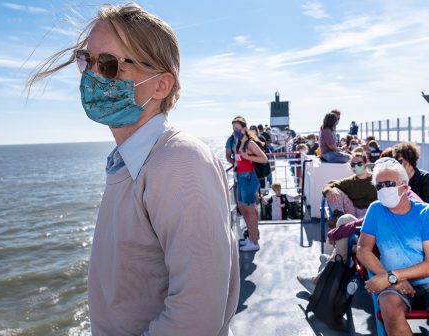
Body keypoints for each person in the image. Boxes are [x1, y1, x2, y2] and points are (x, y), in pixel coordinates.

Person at [26, 4, 239, 334]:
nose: (92, 75)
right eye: (86, 60)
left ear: (160, 86)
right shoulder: (128, 161)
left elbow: (196, 318)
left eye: (109, 65)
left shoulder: (180, 162)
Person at [357, 158, 429, 336]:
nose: (383, 189)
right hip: (394, 285)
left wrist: (391, 277)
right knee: (389, 307)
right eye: (379, 186)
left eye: (389, 183)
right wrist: (393, 281)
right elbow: (363, 250)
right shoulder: (375, 210)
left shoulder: (428, 213)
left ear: (405, 186)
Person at [233, 117, 269, 252]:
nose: (235, 131)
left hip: (249, 178)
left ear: (244, 129)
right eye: (233, 129)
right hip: (241, 177)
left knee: (250, 211)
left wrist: (248, 157)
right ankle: (251, 238)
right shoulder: (238, 142)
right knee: (243, 208)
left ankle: (254, 242)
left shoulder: (250, 143)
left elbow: (264, 159)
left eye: (237, 129)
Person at [322, 152, 377, 218]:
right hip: (353, 214)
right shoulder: (349, 182)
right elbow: (329, 185)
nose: (356, 166)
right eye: (353, 164)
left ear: (366, 164)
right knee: (334, 190)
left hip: (372, 214)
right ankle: (338, 217)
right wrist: (328, 191)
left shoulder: (377, 179)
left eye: (359, 164)